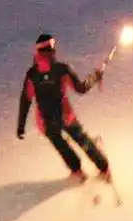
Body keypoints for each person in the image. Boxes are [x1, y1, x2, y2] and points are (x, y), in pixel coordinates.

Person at [17, 34, 111, 183]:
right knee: (82, 140)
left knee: (62, 146)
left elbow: (25, 100)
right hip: (66, 117)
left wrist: (21, 126)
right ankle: (104, 168)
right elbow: (81, 88)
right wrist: (95, 77)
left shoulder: (32, 75)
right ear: (52, 49)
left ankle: (77, 171)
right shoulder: (62, 70)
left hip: (46, 122)